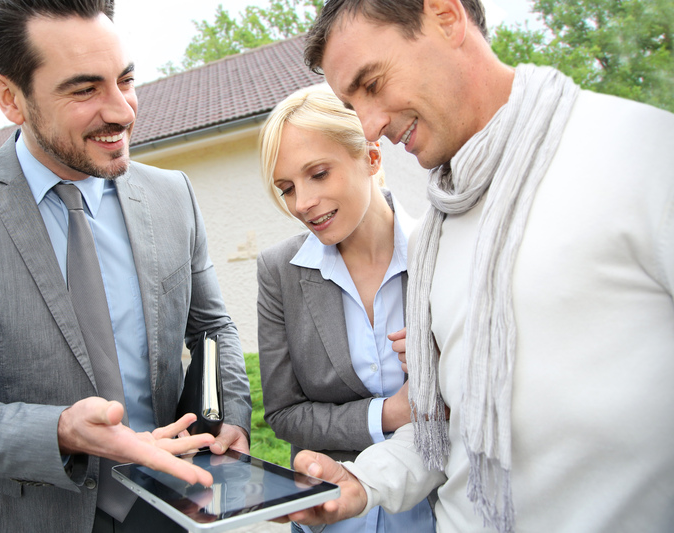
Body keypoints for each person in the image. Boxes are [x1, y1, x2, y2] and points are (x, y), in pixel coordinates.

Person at [282, 1, 674, 532]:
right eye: (352, 107)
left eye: (371, 84)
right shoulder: (440, 227)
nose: (369, 128)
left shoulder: (642, 154)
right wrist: (364, 482)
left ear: (445, 17)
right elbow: (454, 428)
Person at [0, 1, 252, 532]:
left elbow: (213, 327)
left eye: (125, 80)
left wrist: (231, 415)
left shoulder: (173, 194)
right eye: (84, 90)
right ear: (10, 98)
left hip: (177, 506)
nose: (122, 111)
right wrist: (58, 430)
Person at [256, 84, 435, 533]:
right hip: (332, 521)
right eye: (287, 188)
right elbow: (283, 414)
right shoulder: (280, 271)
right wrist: (390, 413)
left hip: (433, 517)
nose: (302, 203)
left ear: (372, 157)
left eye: (318, 174)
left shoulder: (441, 253)